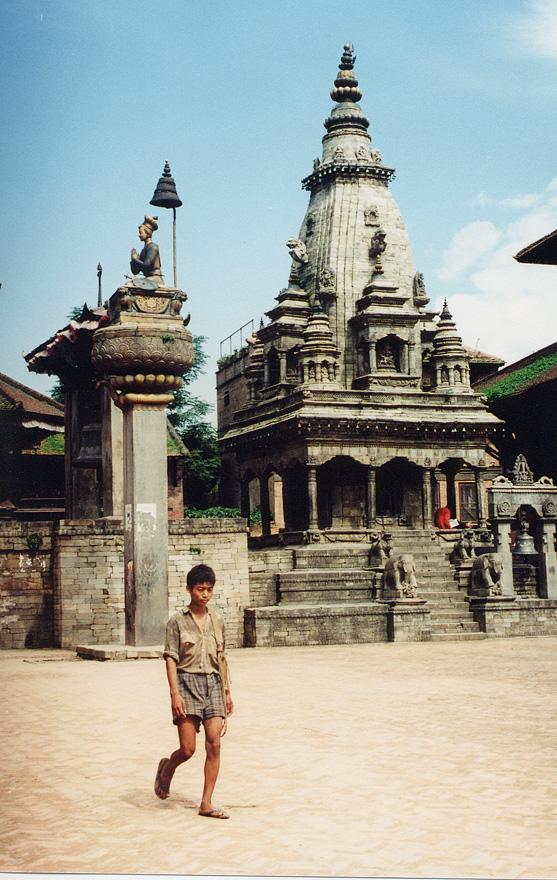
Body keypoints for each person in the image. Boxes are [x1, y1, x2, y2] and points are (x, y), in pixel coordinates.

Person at [154, 564, 233, 819]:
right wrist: (174, 694)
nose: (205, 594)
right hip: (186, 684)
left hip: (213, 685)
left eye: (210, 590)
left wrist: (227, 692)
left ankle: (206, 802)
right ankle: (168, 768)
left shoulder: (217, 620)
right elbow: (170, 658)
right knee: (188, 749)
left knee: (215, 744)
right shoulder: (177, 622)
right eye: (200, 589)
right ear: (189, 589)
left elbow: (222, 659)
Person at [130, 215, 164, 283]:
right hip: (148, 279)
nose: (139, 235)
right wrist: (133, 261)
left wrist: (135, 259)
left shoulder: (153, 247)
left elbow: (146, 265)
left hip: (155, 278)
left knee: (133, 284)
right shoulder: (144, 250)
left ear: (147, 233)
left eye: (141, 233)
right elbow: (135, 271)